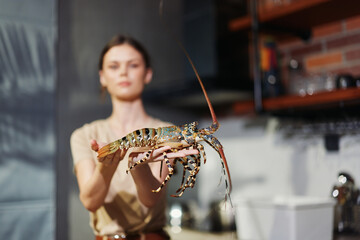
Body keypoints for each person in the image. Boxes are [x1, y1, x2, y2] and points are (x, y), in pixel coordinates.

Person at [70, 34, 198, 240]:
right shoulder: (84, 135)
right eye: (113, 66)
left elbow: (150, 199)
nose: (123, 72)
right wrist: (107, 164)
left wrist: (137, 164)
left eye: (133, 65)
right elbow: (90, 201)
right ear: (102, 76)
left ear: (147, 74)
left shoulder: (168, 132)